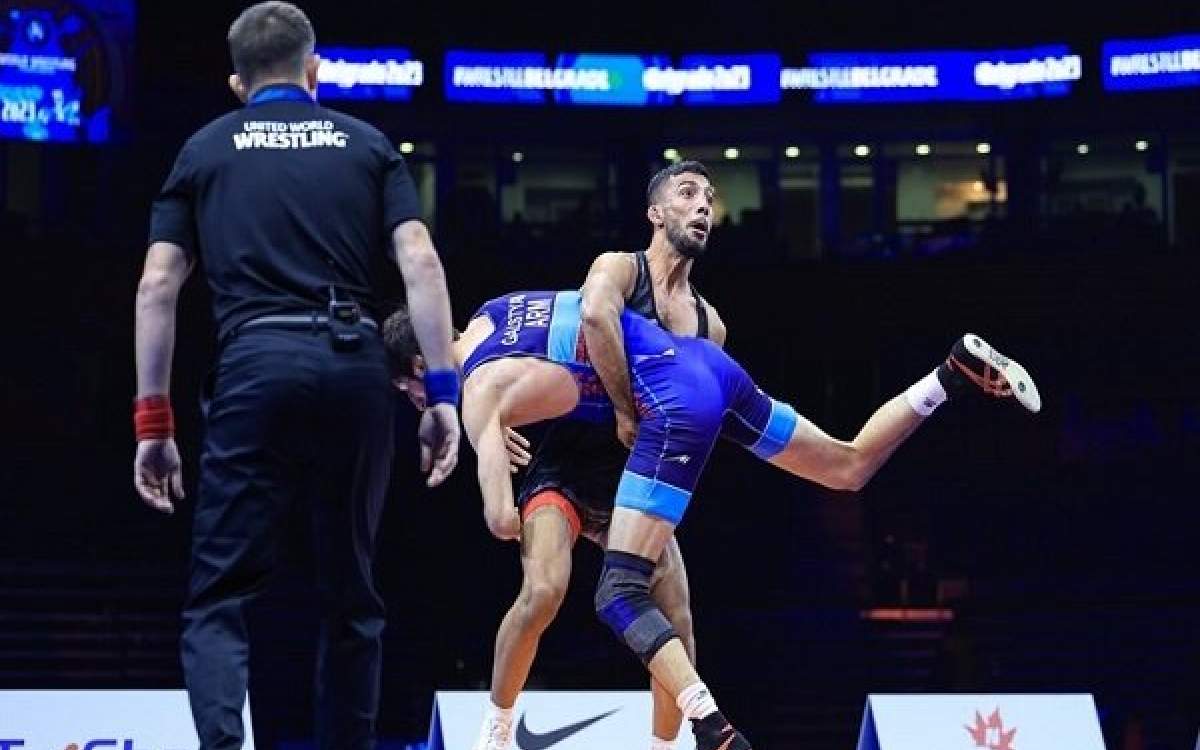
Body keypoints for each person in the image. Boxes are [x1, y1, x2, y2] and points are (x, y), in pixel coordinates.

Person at [384, 289, 1040, 750]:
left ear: (421, 369)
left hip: (636, 438)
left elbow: (499, 517)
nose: (421, 404)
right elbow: (629, 319)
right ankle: (945, 375)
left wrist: (488, 447)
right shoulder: (491, 312)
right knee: (845, 466)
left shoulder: (474, 390)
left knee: (609, 596)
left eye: (414, 394)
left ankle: (669, 736)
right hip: (660, 408)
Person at [131, 4, 459, 748]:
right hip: (355, 372)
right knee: (352, 596)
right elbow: (421, 265)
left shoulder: (204, 149)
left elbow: (157, 287)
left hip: (252, 367)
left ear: (237, 83)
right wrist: (442, 395)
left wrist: (154, 425)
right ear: (315, 75)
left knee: (220, 597)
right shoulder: (368, 145)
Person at [471, 161, 727, 750]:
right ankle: (495, 732)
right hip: (564, 463)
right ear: (656, 214)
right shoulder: (617, 268)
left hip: (632, 482)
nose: (703, 206)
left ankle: (664, 746)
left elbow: (694, 413)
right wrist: (623, 410)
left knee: (678, 620)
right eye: (687, 194)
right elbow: (593, 315)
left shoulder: (709, 327)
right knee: (544, 592)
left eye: (709, 198)